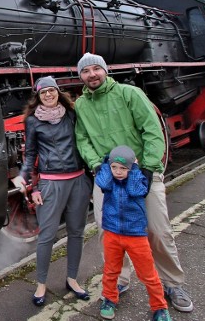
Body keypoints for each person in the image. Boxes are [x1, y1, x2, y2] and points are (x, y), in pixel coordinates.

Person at [74, 52, 193, 313]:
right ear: (80, 76)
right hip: (107, 175)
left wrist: (150, 167)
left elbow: (152, 129)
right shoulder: (81, 105)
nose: (92, 74)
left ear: (105, 71)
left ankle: (172, 284)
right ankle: (119, 280)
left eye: (96, 68)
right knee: (109, 232)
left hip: (140, 171)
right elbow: (82, 139)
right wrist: (96, 165)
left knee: (157, 230)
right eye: (86, 71)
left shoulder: (129, 93)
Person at [12, 76, 92, 307]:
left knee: (77, 232)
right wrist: (31, 185)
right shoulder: (33, 121)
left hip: (77, 180)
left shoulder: (72, 115)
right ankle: (41, 284)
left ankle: (72, 279)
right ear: (37, 96)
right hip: (50, 183)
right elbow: (30, 155)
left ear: (58, 92)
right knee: (46, 236)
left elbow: (85, 141)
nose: (48, 94)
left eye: (51, 90)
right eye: (43, 92)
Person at [96, 145, 172, 321]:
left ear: (131, 167)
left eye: (123, 168)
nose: (118, 172)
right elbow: (103, 182)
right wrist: (107, 163)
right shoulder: (109, 180)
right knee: (110, 270)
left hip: (135, 234)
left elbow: (136, 191)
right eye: (114, 167)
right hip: (112, 233)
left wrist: (135, 169)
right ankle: (109, 298)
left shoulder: (137, 178)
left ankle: (160, 307)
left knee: (148, 273)